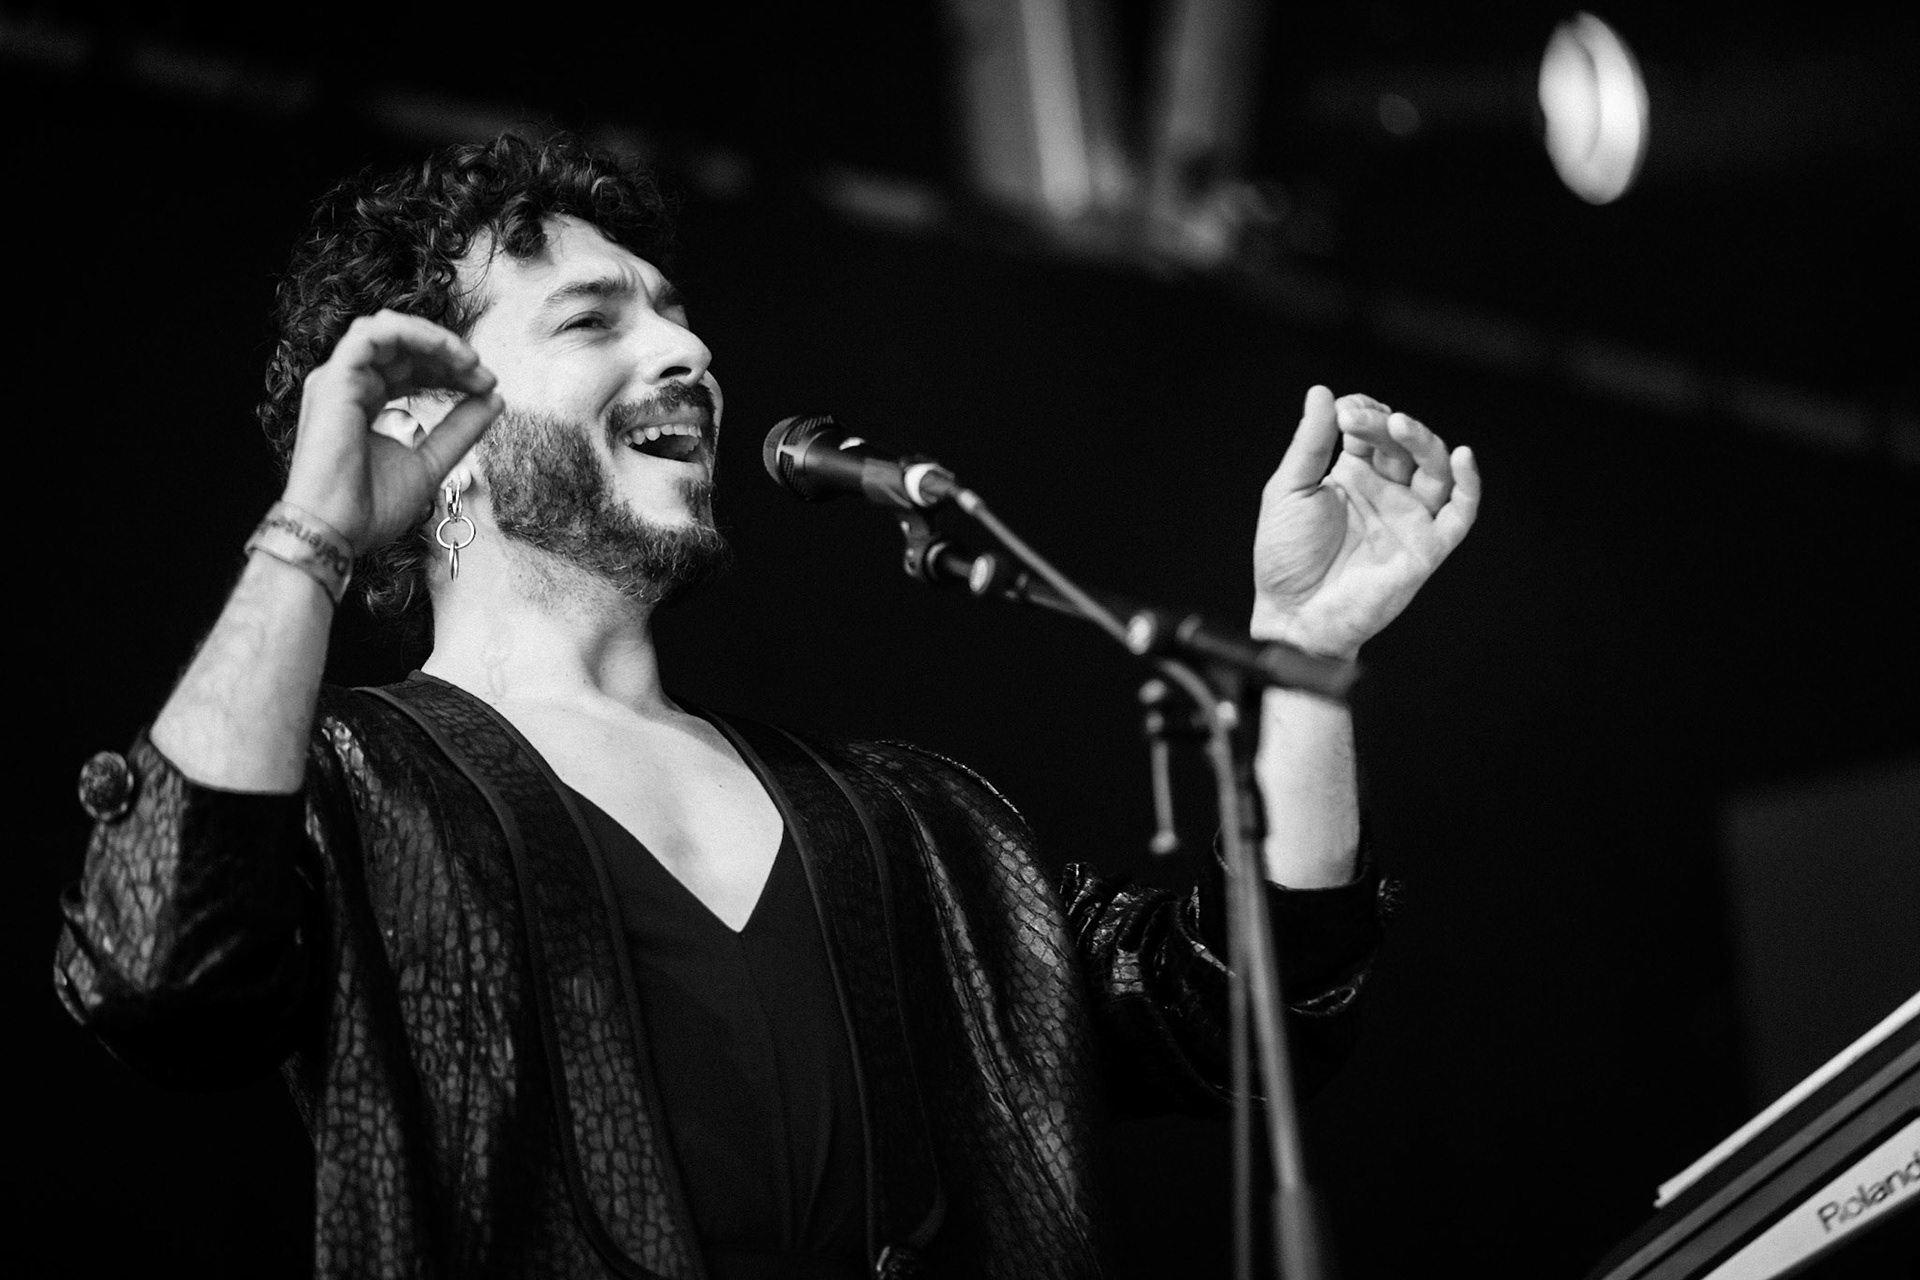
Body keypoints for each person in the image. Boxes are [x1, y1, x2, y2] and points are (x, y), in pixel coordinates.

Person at [55, 130, 1479, 1280]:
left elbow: (1244, 1013)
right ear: (432, 422)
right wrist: (314, 529)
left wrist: (1306, 650)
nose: (687, 354)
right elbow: (158, 970)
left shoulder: (918, 828)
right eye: (593, 320)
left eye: (677, 314)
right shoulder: (350, 784)